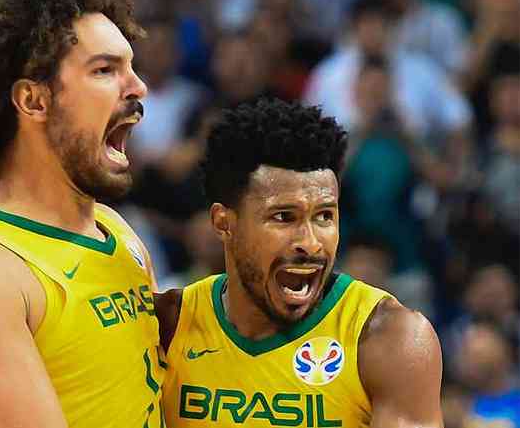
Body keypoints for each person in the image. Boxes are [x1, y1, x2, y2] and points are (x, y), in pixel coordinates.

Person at [0, 0, 165, 427]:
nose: (138, 87)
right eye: (105, 70)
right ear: (34, 101)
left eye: (131, 68)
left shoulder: (116, 232)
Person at [155, 98, 444, 427]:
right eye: (283, 217)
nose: (310, 243)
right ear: (224, 223)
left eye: (324, 216)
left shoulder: (389, 338)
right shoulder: (168, 326)